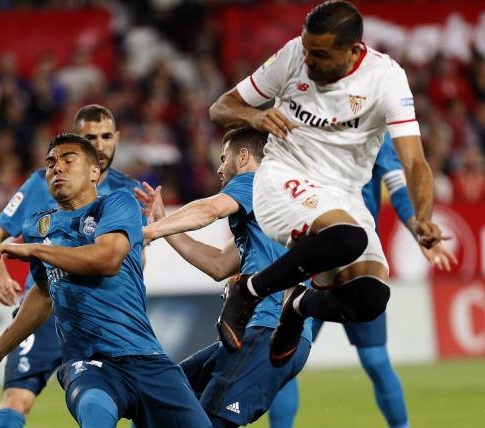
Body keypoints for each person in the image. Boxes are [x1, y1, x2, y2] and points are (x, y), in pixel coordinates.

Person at [208, 0, 442, 366]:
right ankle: (248, 291)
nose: (309, 61)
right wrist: (256, 116)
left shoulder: (386, 79)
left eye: (319, 54)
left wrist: (423, 216)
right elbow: (221, 107)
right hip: (284, 176)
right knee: (349, 238)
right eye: (306, 50)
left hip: (344, 195)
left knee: (369, 298)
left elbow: (414, 161)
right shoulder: (292, 56)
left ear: (353, 51)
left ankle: (298, 305)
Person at [0, 133, 211, 428]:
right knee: (94, 410)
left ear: (94, 172)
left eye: (68, 159)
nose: (57, 168)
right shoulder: (38, 225)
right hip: (89, 366)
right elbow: (42, 295)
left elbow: (107, 260)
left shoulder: (117, 204)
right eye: (51, 163)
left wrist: (35, 250)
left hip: (146, 358)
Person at [267, 134, 457, 428]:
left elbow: (397, 187)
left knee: (375, 360)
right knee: (286, 362)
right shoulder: (302, 121)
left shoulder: (375, 128)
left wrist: (418, 228)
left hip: (359, 260)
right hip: (311, 256)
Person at [0, 104, 141, 428]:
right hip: (44, 308)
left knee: (139, 399)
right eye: (90, 137)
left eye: (106, 136)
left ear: (117, 138)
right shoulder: (42, 182)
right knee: (16, 399)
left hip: (103, 314)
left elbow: (134, 256)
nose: (100, 144)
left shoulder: (128, 191)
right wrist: (0, 279)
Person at [137, 127, 311, 428]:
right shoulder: (270, 203)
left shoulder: (254, 181)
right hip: (266, 333)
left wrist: (149, 232)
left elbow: (209, 209)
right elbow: (219, 264)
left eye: (223, 157)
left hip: (266, 330)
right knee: (160, 402)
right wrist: (164, 224)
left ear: (243, 156)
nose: (218, 168)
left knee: (208, 419)